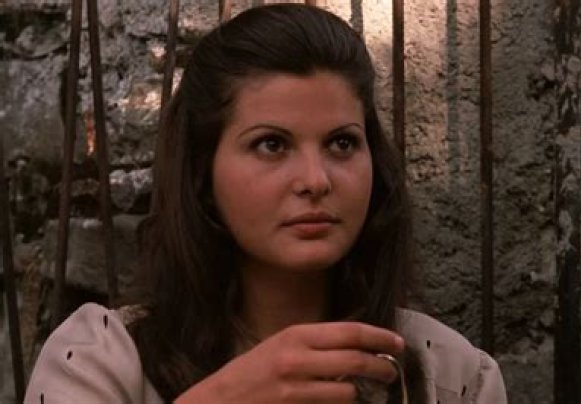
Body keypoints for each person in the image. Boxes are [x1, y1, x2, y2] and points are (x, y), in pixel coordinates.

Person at [25, 4, 506, 403]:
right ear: (203, 173)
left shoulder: (451, 374)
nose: (315, 180)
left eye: (341, 143)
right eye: (271, 145)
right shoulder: (100, 363)